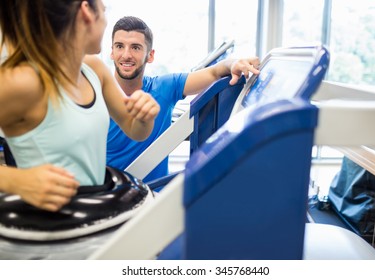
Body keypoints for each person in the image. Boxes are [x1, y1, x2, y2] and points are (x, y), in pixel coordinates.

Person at [0, 1, 160, 212]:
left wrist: (144, 116)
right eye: (104, 10)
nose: (105, 21)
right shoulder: (22, 82)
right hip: (44, 230)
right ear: (86, 11)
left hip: (90, 218)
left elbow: (135, 130)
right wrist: (15, 180)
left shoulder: (94, 69)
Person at [107, 16, 260, 182]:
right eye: (120, 46)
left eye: (136, 48)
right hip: (107, 197)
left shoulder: (165, 87)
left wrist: (234, 64)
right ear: (112, 52)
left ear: (150, 55)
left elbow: (214, 72)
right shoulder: (96, 95)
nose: (126, 55)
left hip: (153, 198)